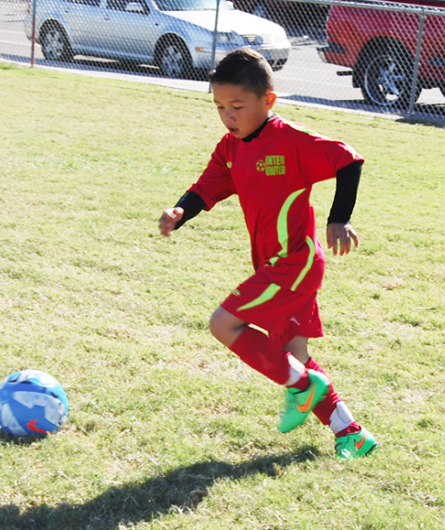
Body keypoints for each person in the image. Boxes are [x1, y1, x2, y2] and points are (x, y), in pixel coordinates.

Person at [158, 48, 376, 460]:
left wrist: (338, 219)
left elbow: (348, 159)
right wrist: (180, 211)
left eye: (238, 106)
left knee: (224, 325)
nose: (228, 116)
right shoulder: (231, 147)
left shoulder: (291, 141)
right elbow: (206, 187)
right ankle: (351, 432)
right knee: (295, 358)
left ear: (268, 101)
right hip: (276, 265)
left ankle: (304, 387)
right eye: (220, 107)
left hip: (294, 263)